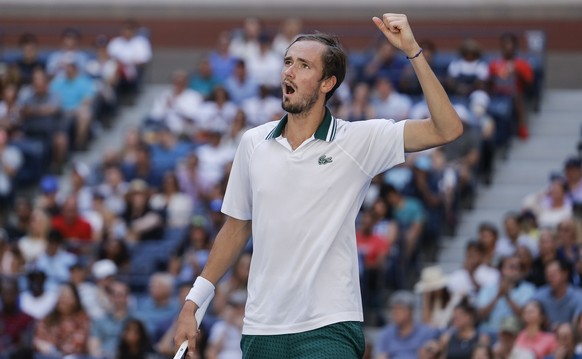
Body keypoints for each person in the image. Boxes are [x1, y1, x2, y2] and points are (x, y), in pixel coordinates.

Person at [174, 13, 463, 358]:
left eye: (303, 66)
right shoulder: (252, 142)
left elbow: (446, 129)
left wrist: (412, 50)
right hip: (261, 328)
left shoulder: (357, 139)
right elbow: (235, 229)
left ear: (328, 82)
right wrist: (193, 303)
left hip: (330, 325)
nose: (288, 72)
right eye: (287, 63)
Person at [476, 255, 536, 335]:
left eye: (518, 268)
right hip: (487, 331)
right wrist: (497, 296)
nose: (515, 271)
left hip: (512, 334)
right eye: (511, 267)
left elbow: (524, 316)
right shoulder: (488, 288)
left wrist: (508, 297)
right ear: (502, 269)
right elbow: (481, 315)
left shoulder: (528, 289)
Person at [374, 291, 438, 359]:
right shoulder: (386, 333)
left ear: (411, 311)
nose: (395, 312)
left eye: (400, 308)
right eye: (393, 308)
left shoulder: (425, 332)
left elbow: (430, 351)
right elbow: (380, 355)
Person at [532, 259, 582, 327]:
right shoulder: (541, 293)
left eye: (553, 275)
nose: (550, 279)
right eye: (548, 275)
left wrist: (560, 327)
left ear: (565, 274)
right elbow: (528, 308)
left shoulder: (578, 296)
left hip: (571, 334)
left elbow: (578, 322)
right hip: (546, 335)